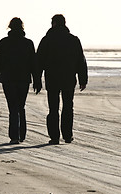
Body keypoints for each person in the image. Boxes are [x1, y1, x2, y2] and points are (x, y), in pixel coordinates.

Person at [36, 14, 88, 145]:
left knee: (53, 108)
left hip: (52, 79)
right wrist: (83, 79)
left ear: (53, 24)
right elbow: (80, 60)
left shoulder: (47, 40)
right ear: (64, 24)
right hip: (68, 78)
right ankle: (67, 135)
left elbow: (39, 61)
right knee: (68, 107)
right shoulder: (73, 40)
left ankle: (54, 137)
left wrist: (37, 79)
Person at [0, 17, 41, 144]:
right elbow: (34, 64)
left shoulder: (4, 42)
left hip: (8, 79)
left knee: (13, 107)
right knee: (21, 107)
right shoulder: (28, 43)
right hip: (23, 79)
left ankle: (14, 136)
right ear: (22, 27)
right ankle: (21, 135)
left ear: (10, 27)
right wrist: (37, 81)